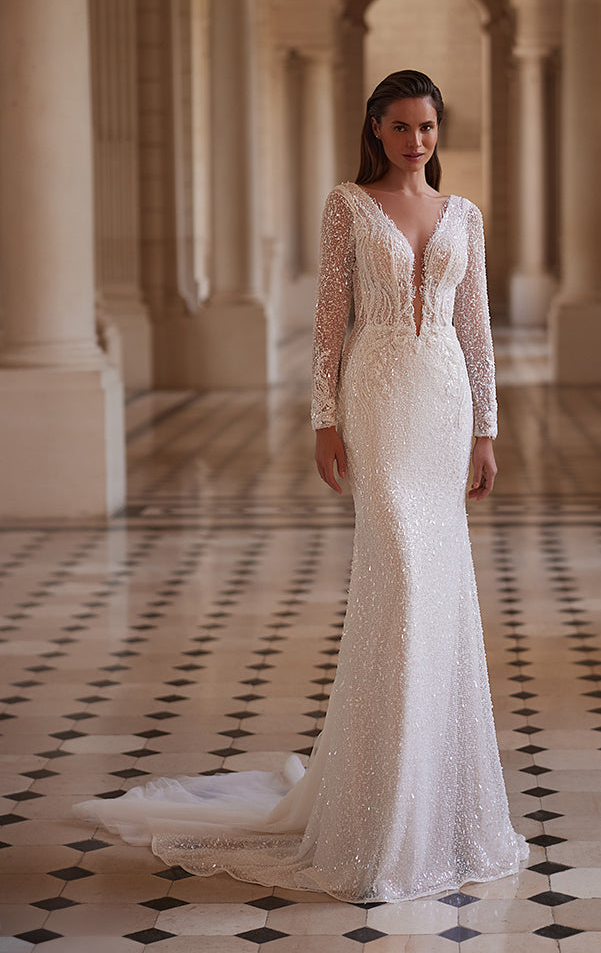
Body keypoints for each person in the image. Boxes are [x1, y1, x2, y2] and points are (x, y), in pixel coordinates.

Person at [73, 69, 528, 904]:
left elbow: (476, 328)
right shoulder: (347, 206)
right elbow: (329, 319)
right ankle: (379, 811)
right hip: (378, 396)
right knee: (400, 572)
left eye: (427, 127)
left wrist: (487, 428)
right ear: (375, 129)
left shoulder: (463, 215)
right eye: (401, 127)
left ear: (439, 131)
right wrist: (325, 419)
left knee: (440, 590)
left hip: (443, 401)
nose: (416, 141)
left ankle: (435, 805)